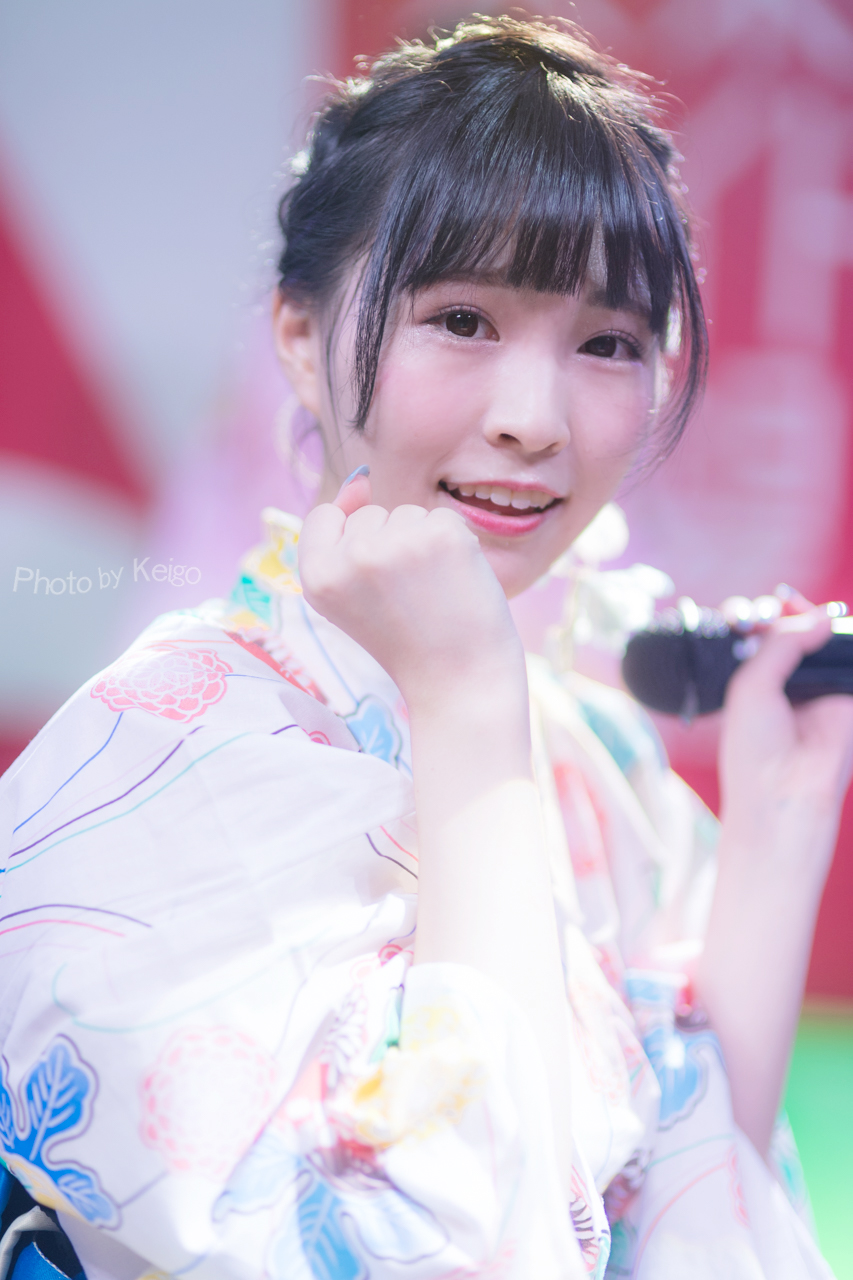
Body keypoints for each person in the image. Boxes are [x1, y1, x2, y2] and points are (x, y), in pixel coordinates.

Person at [1, 15, 852, 1280]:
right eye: (461, 318)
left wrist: (780, 821)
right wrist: (465, 699)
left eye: (608, 343)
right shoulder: (156, 749)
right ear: (299, 336)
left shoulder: (594, 754)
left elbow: (683, 1205)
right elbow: (440, 1251)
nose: (533, 418)